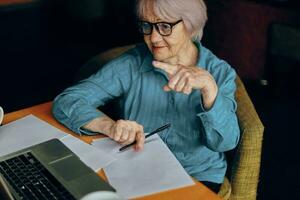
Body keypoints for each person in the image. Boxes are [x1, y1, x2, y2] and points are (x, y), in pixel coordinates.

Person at [52, 0, 240, 193]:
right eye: (146, 26)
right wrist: (110, 126)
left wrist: (210, 90)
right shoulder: (132, 64)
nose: (154, 38)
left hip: (196, 176)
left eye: (165, 26)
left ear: (191, 25)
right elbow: (67, 101)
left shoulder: (219, 73)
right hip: (138, 168)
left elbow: (225, 143)